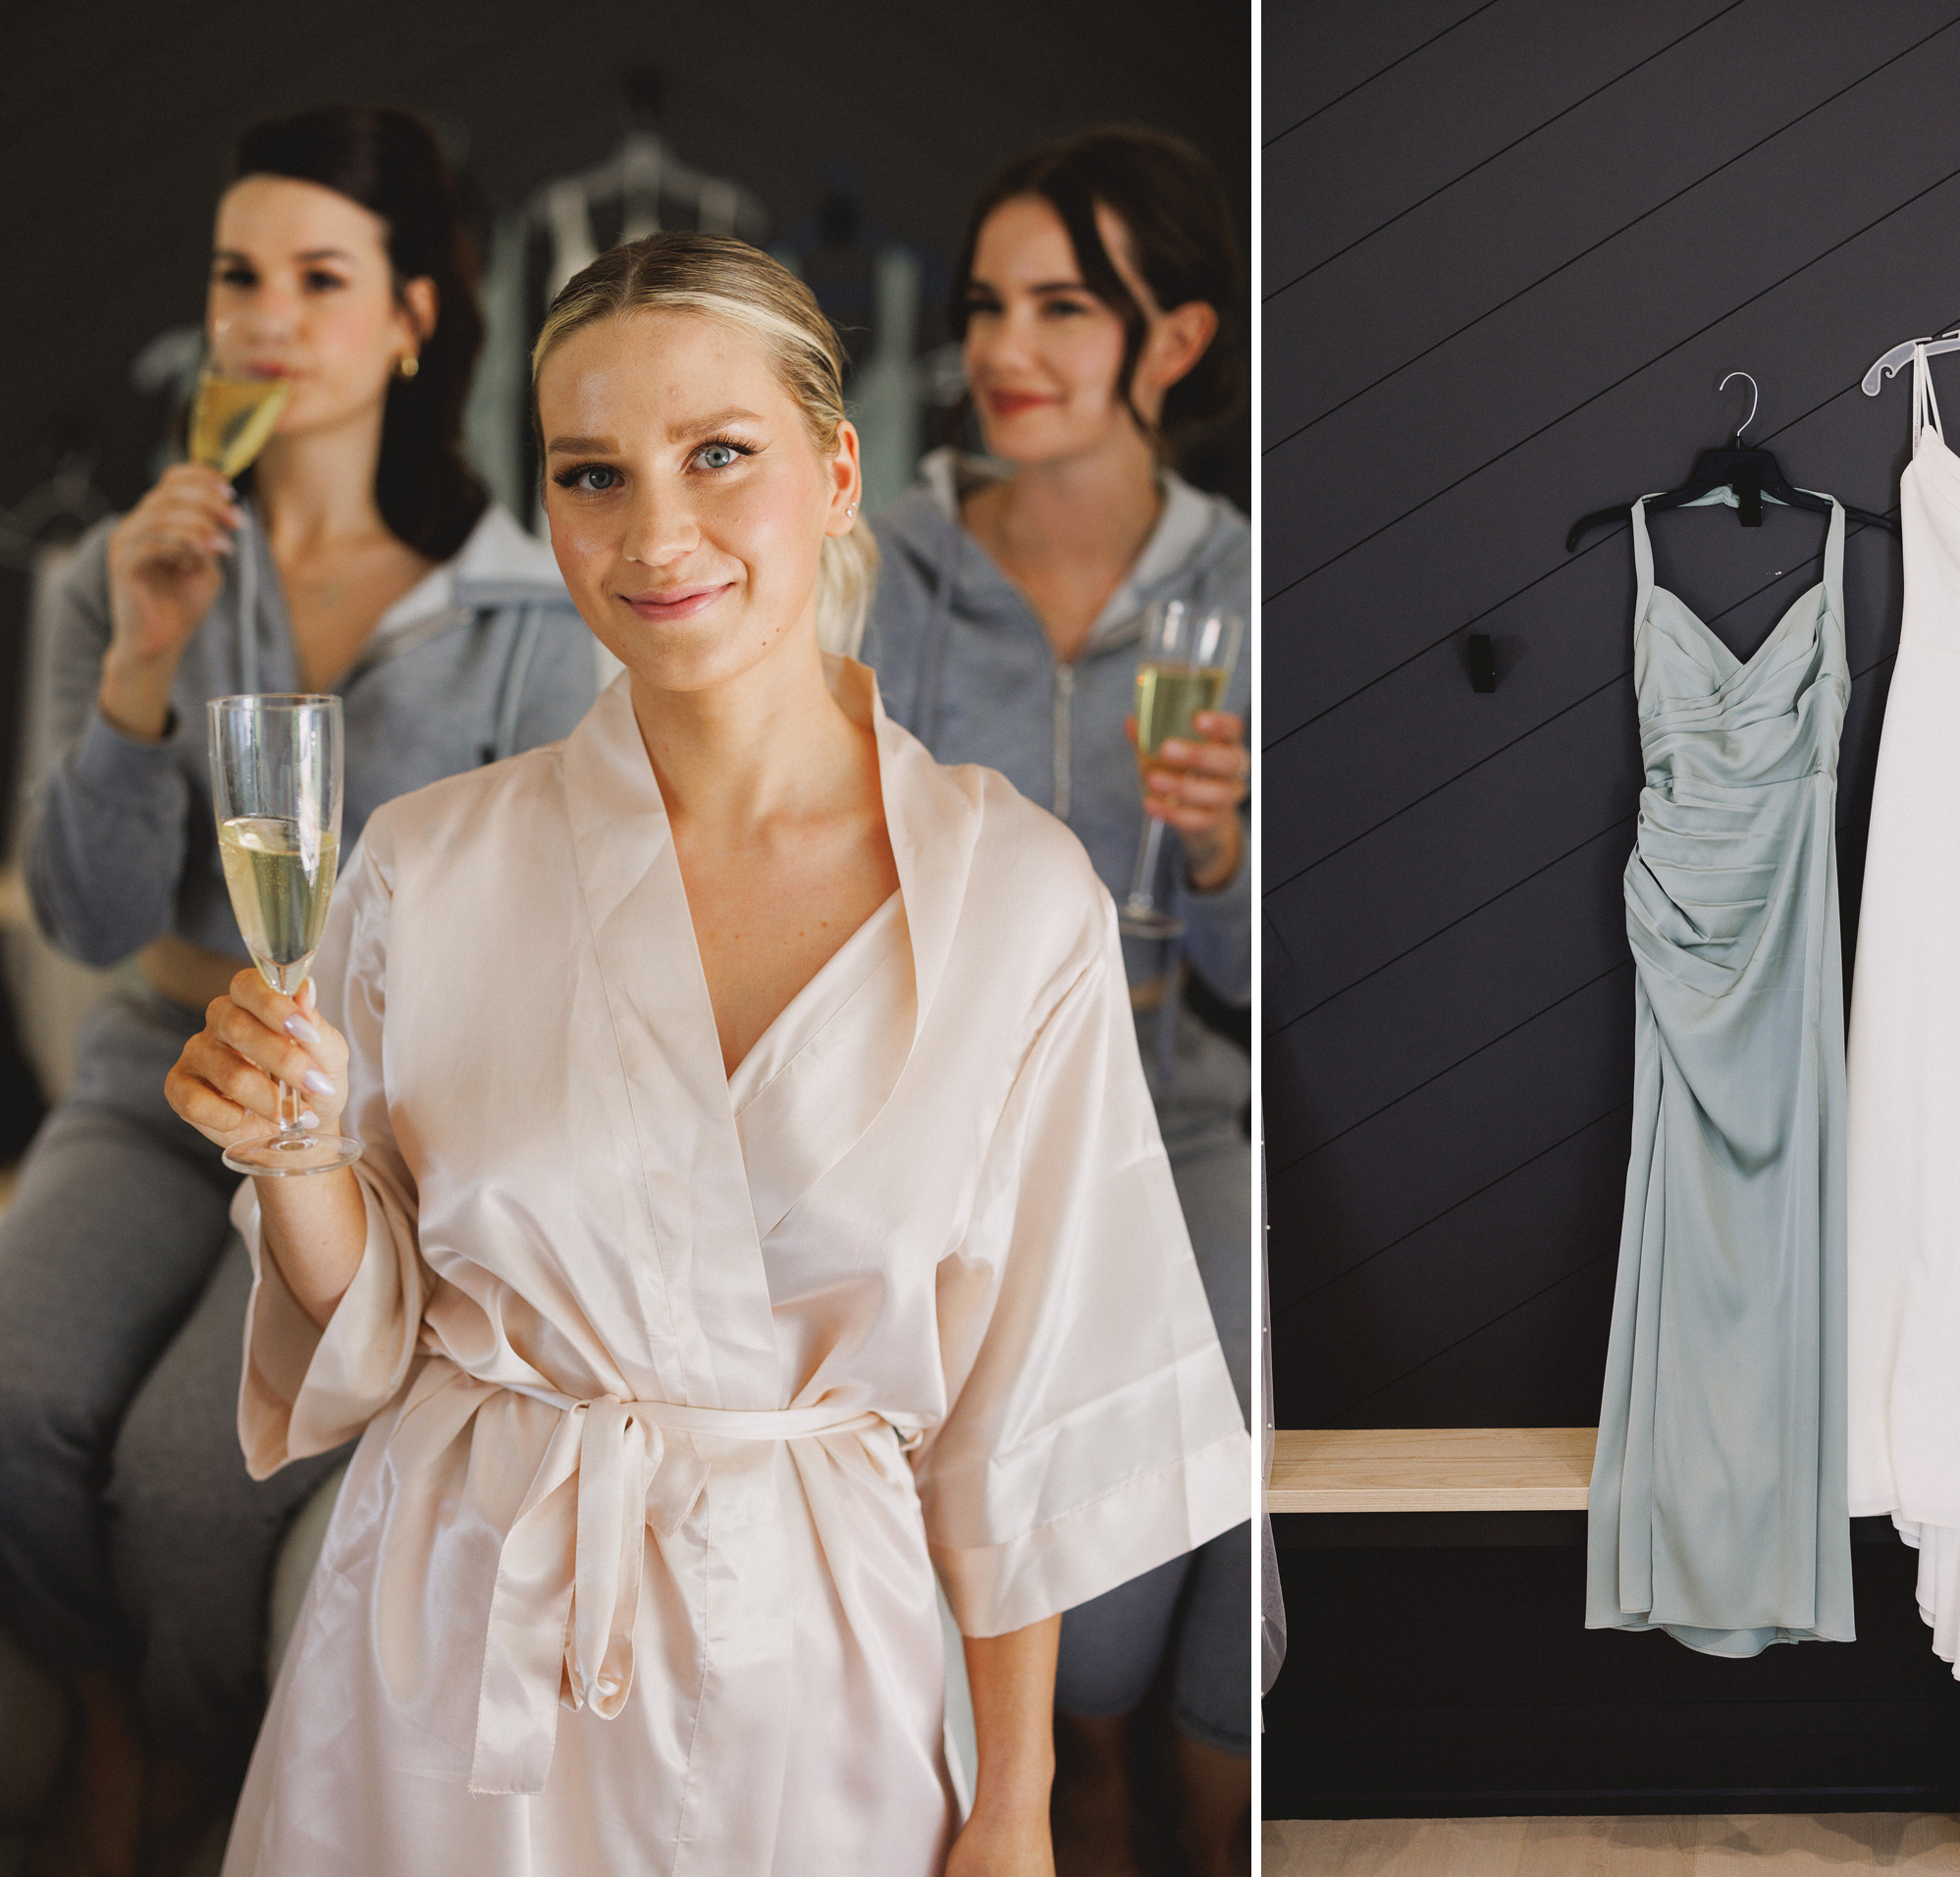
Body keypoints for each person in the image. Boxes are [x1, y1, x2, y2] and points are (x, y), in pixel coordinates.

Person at [164, 230, 1247, 1877]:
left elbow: (1025, 1411)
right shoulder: (424, 863)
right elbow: (373, 1339)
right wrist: (291, 1155)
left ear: (835, 473)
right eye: (592, 474)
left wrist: (1016, 1801)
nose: (654, 534)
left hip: (812, 1676)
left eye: (718, 455)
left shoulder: (1011, 899)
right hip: (446, 1655)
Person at [0, 106, 599, 1877]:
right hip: (147, 1073)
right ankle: (111, 1713)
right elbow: (90, 913)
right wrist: (137, 660)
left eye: (319, 279)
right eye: (236, 275)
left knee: (193, 1486)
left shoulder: (527, 615)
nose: (265, 318)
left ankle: (188, 1760)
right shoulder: (119, 576)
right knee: (16, 1404)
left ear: (415, 316)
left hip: (369, 1125)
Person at [859, 126, 1252, 1877]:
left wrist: (1230, 857)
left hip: (1191, 1120)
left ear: (1174, 340)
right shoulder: (879, 573)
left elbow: (1274, 996)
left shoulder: (1243, 590)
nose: (1005, 349)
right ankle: (1082, 1763)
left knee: (1248, 1514)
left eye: (1063, 307)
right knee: (1086, 1630)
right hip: (956, 1136)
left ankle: (1205, 1801)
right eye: (988, 306)